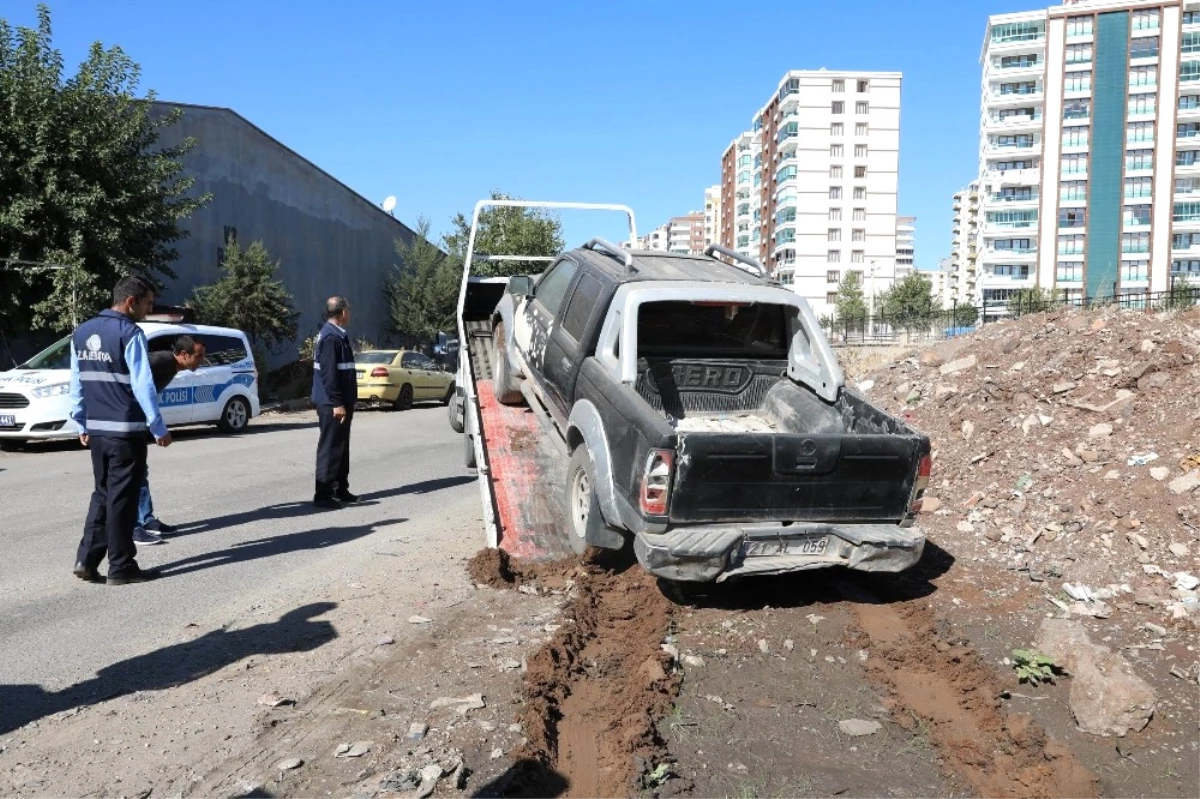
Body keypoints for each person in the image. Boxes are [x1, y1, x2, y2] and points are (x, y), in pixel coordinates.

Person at [69, 276, 172, 586]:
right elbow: (143, 385)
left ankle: (86, 560)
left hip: (97, 431)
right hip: (125, 431)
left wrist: (80, 420)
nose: (148, 309)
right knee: (122, 501)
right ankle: (122, 566)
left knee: (102, 494)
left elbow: (77, 383)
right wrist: (158, 426)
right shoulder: (130, 333)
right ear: (131, 302)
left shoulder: (82, 332)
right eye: (147, 304)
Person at [133, 335, 206, 545]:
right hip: (127, 421)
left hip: (139, 422)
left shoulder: (172, 367)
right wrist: (155, 425)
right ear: (184, 355)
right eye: (199, 356)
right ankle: (133, 527)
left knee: (140, 472)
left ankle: (146, 520)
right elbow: (134, 380)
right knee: (132, 474)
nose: (202, 361)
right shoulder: (161, 361)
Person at [311, 296, 359, 509]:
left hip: (341, 402)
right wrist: (337, 403)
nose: (350, 313)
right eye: (348, 309)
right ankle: (323, 494)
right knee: (330, 447)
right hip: (332, 403)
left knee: (341, 446)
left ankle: (341, 488)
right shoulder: (330, 337)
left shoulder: (338, 335)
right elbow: (329, 375)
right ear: (342, 313)